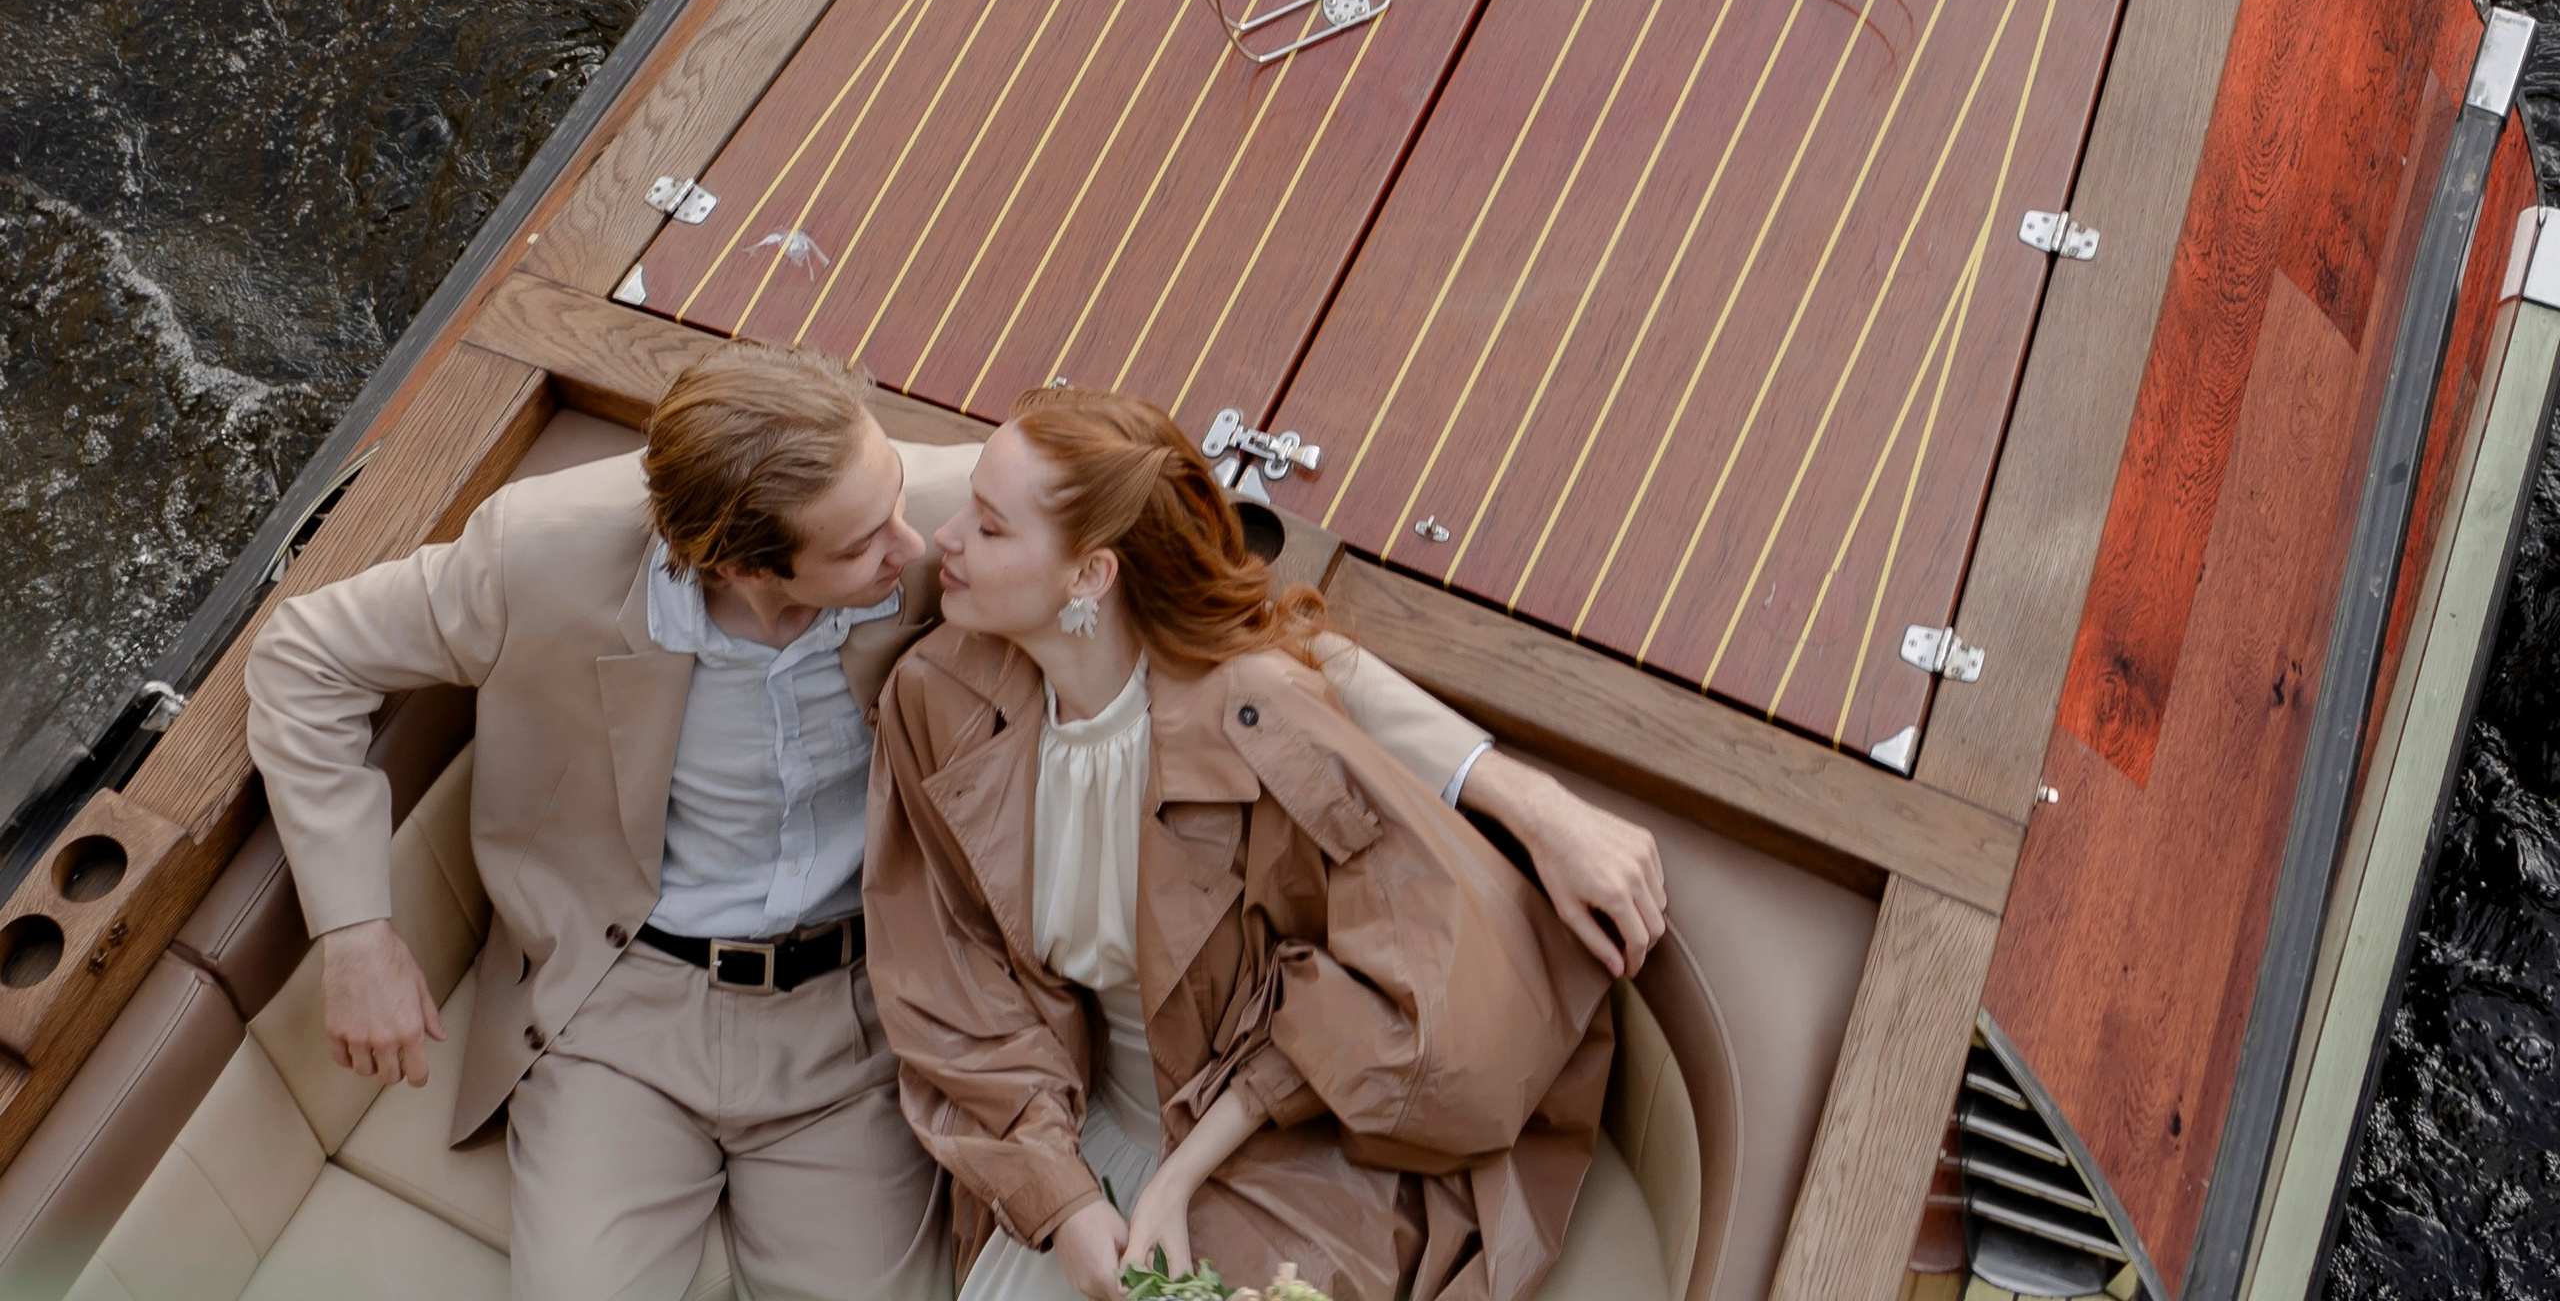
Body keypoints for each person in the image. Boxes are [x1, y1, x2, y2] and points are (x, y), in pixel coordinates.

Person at [245, 353, 1662, 1301]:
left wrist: (1526, 799)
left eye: (916, 514)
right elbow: (301, 659)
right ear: (746, 565)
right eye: (868, 548)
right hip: (618, 1005)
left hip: (864, 1010)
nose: (917, 552)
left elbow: (1254, 648)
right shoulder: (541, 555)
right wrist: (356, 932)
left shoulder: (934, 518)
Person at [866, 387, 1620, 1301]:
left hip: (1278, 1138)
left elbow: (1388, 986)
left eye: (988, 527)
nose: (943, 539)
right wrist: (1062, 1199)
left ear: (1090, 576)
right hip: (1066, 1126)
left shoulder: (1261, 719)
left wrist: (1177, 1180)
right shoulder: (935, 698)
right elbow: (953, 986)